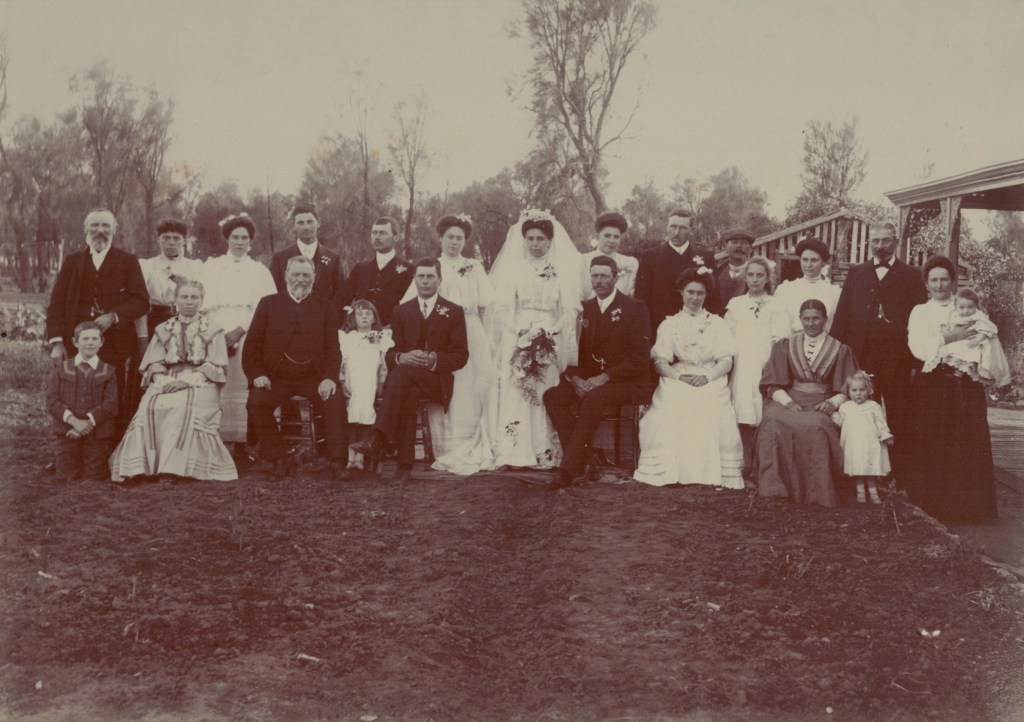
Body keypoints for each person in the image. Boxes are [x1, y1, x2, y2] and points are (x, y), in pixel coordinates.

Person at [351, 258, 469, 485]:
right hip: (407, 382)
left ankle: (378, 438)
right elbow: (390, 352)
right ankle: (403, 467)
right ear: (414, 279)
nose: (425, 281)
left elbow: (461, 355)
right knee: (408, 389)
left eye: (430, 276)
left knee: (403, 375)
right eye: (421, 276)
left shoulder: (453, 311)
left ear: (439, 279)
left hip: (436, 381)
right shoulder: (402, 310)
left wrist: (433, 359)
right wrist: (401, 357)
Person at [109, 280, 238, 483]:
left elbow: (216, 365)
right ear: (175, 300)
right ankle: (141, 466)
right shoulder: (164, 329)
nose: (189, 302)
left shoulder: (213, 330)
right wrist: (163, 380)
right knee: (149, 405)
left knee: (180, 406)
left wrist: (186, 382)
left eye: (194, 297)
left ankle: (172, 468)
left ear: (202, 300)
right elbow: (154, 362)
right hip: (167, 378)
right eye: (184, 297)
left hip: (201, 381)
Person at [543, 255, 651, 488]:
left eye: (604, 276)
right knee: (552, 396)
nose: (598, 281)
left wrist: (605, 377)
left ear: (616, 278)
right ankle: (587, 458)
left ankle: (568, 471)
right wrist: (576, 379)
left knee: (592, 399)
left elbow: (640, 358)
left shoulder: (635, 307)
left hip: (626, 381)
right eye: (594, 276)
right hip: (590, 380)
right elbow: (575, 351)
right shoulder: (584, 309)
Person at [830, 222, 926, 482]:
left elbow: (921, 321)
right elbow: (842, 315)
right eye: (875, 241)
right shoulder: (856, 273)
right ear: (869, 243)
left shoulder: (911, 275)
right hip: (861, 356)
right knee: (859, 413)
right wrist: (837, 355)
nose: (880, 246)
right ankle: (857, 473)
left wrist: (915, 363)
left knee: (899, 413)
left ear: (896, 242)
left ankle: (898, 475)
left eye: (885, 240)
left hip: (897, 358)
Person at [489, 209, 583, 469]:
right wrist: (521, 331)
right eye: (530, 238)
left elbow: (569, 311)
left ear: (550, 241)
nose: (535, 244)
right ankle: (514, 452)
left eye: (540, 238)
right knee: (518, 390)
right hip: (519, 334)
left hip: (549, 336)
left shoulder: (562, 271)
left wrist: (551, 331)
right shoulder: (515, 269)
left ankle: (545, 452)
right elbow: (503, 309)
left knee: (544, 390)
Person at [906, 256, 998, 522]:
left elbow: (986, 335)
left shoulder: (968, 307)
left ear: (953, 281)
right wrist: (949, 336)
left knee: (968, 441)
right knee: (935, 440)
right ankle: (936, 507)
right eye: (933, 280)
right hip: (935, 382)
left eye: (944, 279)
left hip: (966, 381)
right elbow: (918, 347)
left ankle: (969, 509)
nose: (939, 285)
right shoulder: (921, 312)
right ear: (926, 284)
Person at [633, 268, 743, 488]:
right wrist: (678, 376)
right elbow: (660, 362)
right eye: (690, 292)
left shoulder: (717, 323)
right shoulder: (669, 324)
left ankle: (706, 472)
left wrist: (707, 377)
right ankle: (672, 470)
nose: (695, 297)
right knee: (675, 402)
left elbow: (726, 361)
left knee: (707, 402)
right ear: (681, 293)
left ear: (707, 295)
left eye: (700, 293)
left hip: (710, 375)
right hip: (679, 375)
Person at [244, 256, 350, 481]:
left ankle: (337, 461)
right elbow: (252, 345)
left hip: (314, 378)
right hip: (277, 377)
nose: (300, 279)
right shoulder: (268, 304)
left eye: (306, 275)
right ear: (286, 276)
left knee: (335, 400)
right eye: (296, 274)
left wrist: (329, 377)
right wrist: (258, 375)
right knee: (256, 402)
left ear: (314, 278)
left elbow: (333, 349)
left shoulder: (325, 306)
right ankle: (278, 458)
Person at [45, 208, 149, 432]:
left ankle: (108, 445)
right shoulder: (73, 262)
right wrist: (57, 343)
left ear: (115, 229)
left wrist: (114, 316)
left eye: (105, 226)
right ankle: (71, 439)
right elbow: (57, 303)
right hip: (75, 343)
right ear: (86, 229)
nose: (100, 230)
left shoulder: (128, 261)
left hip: (114, 345)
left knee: (111, 395)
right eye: (95, 225)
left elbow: (141, 301)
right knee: (71, 391)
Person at [401, 214, 495, 463]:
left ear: (465, 241)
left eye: (459, 238)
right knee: (447, 380)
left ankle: (469, 438)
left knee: (470, 383)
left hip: (471, 328)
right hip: (442, 332)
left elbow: (487, 303)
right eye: (450, 237)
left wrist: (487, 337)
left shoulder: (474, 266)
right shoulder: (432, 266)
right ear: (441, 238)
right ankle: (443, 443)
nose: (454, 242)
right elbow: (410, 303)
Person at [754, 299, 859, 507]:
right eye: (806, 318)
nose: (811, 323)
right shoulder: (785, 345)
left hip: (822, 401)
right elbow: (771, 383)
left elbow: (851, 386)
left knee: (817, 425)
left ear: (825, 319)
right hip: (791, 399)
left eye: (816, 318)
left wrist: (833, 402)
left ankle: (817, 492)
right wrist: (787, 402)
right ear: (800, 319)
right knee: (772, 420)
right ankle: (774, 488)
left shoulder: (839, 349)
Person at [201, 212, 277, 454]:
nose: (240, 242)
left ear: (250, 240)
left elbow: (264, 308)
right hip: (216, 332)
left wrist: (239, 330)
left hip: (249, 332)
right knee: (218, 385)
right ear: (227, 238)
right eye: (235, 237)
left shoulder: (259, 271)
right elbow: (204, 305)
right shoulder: (212, 267)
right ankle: (216, 442)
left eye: (245, 237)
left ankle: (244, 444)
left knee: (243, 385)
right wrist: (220, 335)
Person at [724, 256, 789, 477]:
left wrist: (771, 364)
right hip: (743, 363)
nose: (754, 279)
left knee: (763, 411)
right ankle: (746, 460)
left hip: (766, 362)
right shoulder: (736, 304)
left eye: (760, 275)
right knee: (743, 410)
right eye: (750, 275)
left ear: (767, 278)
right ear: (745, 277)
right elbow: (727, 335)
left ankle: (764, 462)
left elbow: (781, 337)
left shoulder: (776, 304)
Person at [45, 321, 118, 483]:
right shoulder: (60, 369)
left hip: (97, 434)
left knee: (93, 478)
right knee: (66, 477)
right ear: (75, 342)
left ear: (101, 342)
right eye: (85, 339)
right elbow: (52, 401)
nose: (90, 343)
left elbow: (111, 405)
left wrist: (85, 425)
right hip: (67, 432)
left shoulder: (109, 371)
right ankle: (60, 461)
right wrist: (74, 422)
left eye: (94, 339)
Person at [635, 209, 719, 330]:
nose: (676, 232)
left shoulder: (706, 256)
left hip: (697, 326)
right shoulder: (651, 256)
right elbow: (642, 297)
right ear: (666, 226)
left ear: (692, 230)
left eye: (683, 228)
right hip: (659, 324)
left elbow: (714, 296)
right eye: (673, 227)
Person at [338, 299, 393, 470]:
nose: (364, 317)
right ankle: (350, 456)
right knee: (351, 417)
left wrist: (381, 383)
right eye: (359, 314)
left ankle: (360, 457)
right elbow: (342, 362)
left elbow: (383, 364)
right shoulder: (347, 337)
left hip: (369, 383)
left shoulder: (380, 337)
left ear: (374, 319)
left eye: (368, 314)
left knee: (366, 416)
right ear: (353, 318)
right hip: (352, 382)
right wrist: (342, 382)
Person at [924, 287, 1010, 386]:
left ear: (976, 306)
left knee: (973, 354)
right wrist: (947, 330)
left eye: (970, 307)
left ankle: (968, 370)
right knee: (950, 352)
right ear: (956, 306)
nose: (966, 311)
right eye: (962, 307)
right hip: (958, 340)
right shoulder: (954, 315)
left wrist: (978, 339)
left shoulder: (978, 316)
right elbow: (948, 325)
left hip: (973, 340)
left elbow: (987, 328)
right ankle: (954, 370)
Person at [337, 216, 413, 327]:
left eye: (382, 233)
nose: (377, 237)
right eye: (374, 233)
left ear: (396, 237)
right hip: (360, 332)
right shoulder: (360, 268)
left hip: (394, 332)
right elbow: (340, 301)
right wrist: (350, 322)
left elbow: (411, 307)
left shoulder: (409, 270)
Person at [831, 370, 893, 505]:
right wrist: (834, 418)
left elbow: (881, 423)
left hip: (869, 443)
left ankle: (873, 492)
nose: (858, 393)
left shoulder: (873, 406)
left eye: (862, 390)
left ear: (869, 390)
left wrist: (885, 435)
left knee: (869, 466)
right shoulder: (845, 407)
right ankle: (860, 492)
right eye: (854, 390)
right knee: (857, 467)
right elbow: (841, 423)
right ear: (848, 391)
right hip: (853, 444)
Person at [136, 218, 204, 337]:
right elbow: (140, 301)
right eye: (166, 238)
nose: (171, 243)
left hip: (188, 322)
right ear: (158, 239)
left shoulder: (195, 266)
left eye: (176, 238)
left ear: (184, 241)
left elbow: (201, 298)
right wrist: (143, 337)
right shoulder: (147, 265)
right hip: (155, 322)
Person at [269, 202, 344, 302]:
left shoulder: (334, 259)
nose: (306, 227)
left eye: (310, 222)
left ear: (319, 222)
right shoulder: (279, 259)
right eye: (301, 223)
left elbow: (340, 299)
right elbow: (273, 298)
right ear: (293, 225)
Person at [773, 236, 840, 334]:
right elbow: (778, 324)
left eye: (814, 260)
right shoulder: (785, 290)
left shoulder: (835, 293)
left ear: (823, 262)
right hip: (791, 341)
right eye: (805, 260)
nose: (808, 265)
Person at [581, 212, 639, 298]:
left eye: (616, 237)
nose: (612, 241)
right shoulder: (583, 260)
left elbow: (632, 294)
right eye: (607, 236)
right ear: (597, 236)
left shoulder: (630, 263)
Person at [715, 229, 756, 306]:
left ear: (751, 249)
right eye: (734, 242)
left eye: (743, 242)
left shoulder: (757, 273)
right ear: (726, 247)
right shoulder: (716, 271)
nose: (739, 246)